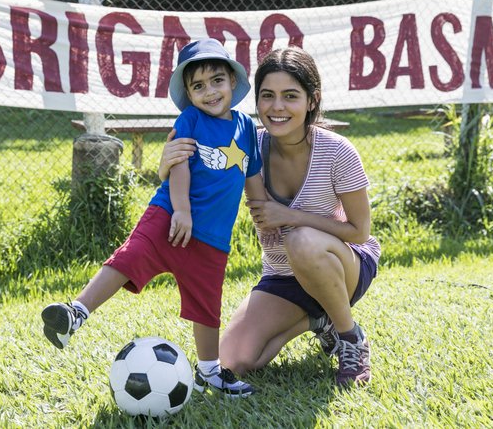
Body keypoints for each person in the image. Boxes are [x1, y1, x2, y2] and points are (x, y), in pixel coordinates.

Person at [41, 38, 273, 397]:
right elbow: (179, 162)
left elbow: (253, 178)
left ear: (232, 82)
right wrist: (181, 209)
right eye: (198, 86)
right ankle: (76, 312)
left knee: (206, 304)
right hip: (169, 218)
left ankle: (210, 371)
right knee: (130, 257)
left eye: (217, 81)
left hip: (212, 238)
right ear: (188, 93)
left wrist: (263, 218)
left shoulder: (246, 128)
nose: (210, 91)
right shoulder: (191, 120)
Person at [158, 46, 381, 387]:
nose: (277, 107)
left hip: (342, 264)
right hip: (282, 275)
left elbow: (360, 232)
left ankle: (350, 338)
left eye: (290, 96)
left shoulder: (337, 150)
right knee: (232, 361)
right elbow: (193, 182)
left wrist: (289, 215)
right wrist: (167, 165)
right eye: (268, 96)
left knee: (301, 239)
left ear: (311, 100)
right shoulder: (246, 144)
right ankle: (320, 321)